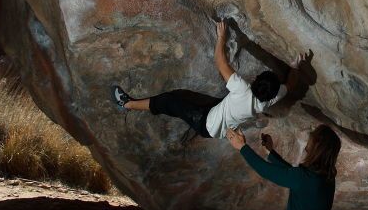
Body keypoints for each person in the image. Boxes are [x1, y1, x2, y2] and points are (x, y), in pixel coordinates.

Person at [112, 20, 305, 139]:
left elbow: (221, 63)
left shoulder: (242, 89)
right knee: (187, 99)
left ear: (254, 80)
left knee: (169, 101)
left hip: (205, 123)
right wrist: (295, 67)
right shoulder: (269, 100)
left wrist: (221, 37)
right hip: (219, 117)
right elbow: (290, 84)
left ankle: (126, 104)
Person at [226, 124, 341, 210]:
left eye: (313, 136)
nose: (310, 137)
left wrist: (242, 147)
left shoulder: (304, 178)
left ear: (317, 146)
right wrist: (271, 152)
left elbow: (265, 170)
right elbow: (291, 175)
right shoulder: (328, 178)